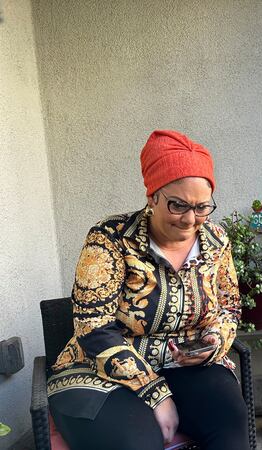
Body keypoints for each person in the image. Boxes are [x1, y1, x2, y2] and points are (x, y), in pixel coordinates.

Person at [47, 130, 249, 450]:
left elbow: (229, 306)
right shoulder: (110, 238)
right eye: (178, 204)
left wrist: (215, 340)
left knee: (232, 426)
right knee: (136, 442)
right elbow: (93, 326)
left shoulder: (215, 239)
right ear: (152, 196)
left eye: (202, 207)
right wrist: (155, 394)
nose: (190, 219)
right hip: (99, 370)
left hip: (183, 363)